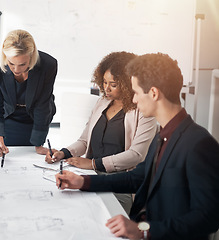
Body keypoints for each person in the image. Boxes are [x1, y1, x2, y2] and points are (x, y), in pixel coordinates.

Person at [55, 53, 219, 240]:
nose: (133, 100)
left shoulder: (199, 144)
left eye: (136, 93)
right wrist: (84, 182)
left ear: (154, 93)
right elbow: (138, 177)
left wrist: (144, 231)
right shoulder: (163, 136)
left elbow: (208, 218)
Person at [46, 51, 157, 213]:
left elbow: (137, 155)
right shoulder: (102, 102)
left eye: (113, 84)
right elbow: (84, 141)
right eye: (104, 82)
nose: (106, 88)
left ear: (128, 83)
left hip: (121, 181)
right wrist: (64, 153)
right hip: (90, 174)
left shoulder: (143, 111)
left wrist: (94, 164)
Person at [0, 29, 58, 156]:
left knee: (30, 161)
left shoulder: (48, 65)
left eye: (23, 64)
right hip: (7, 117)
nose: (16, 70)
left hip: (36, 117)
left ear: (32, 55)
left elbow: (43, 105)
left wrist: (38, 143)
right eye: (11, 63)